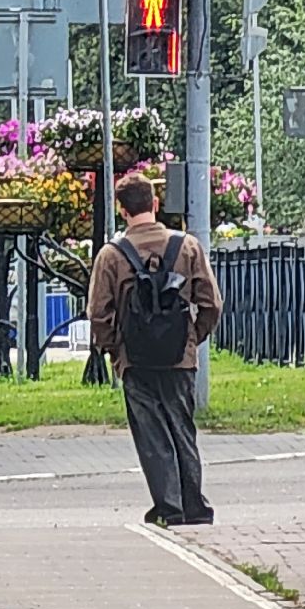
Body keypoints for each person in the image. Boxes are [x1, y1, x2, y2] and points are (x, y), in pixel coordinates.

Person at [86, 173, 224, 526]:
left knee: (151, 434)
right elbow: (212, 303)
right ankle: (194, 504)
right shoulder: (188, 247)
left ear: (121, 209)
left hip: (135, 359)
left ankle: (168, 507)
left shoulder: (111, 255)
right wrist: (192, 338)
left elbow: (99, 313)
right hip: (180, 358)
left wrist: (114, 350)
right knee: (182, 427)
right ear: (155, 204)